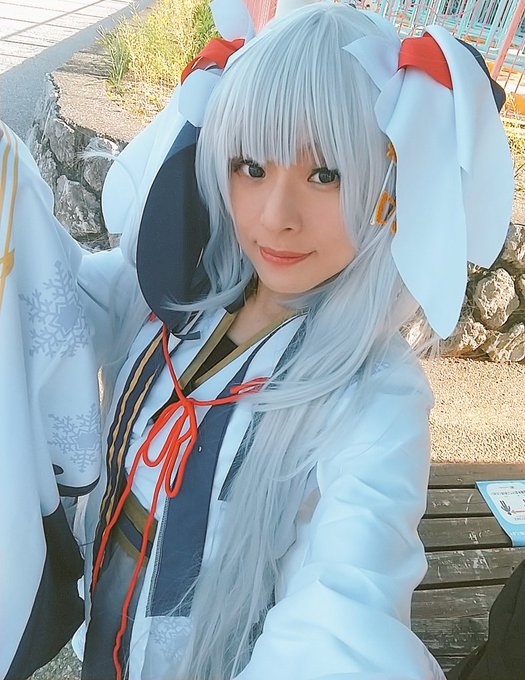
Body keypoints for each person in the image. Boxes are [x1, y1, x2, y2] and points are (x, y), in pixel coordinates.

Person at [0, 1, 513, 678]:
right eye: (251, 166)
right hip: (107, 618)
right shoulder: (180, 291)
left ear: (386, 185)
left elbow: (343, 605)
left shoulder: (376, 399)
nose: (276, 217)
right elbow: (53, 309)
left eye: (325, 175)